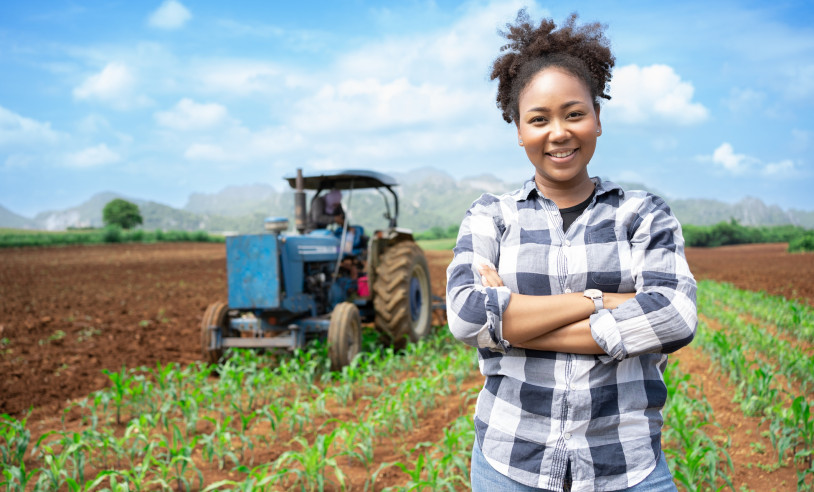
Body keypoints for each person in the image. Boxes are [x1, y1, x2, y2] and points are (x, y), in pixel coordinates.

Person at [445, 10, 697, 492]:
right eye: (538, 119)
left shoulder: (643, 214)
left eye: (574, 113)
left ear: (597, 119)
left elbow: (674, 316)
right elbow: (467, 316)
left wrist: (513, 326)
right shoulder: (490, 216)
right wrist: (601, 300)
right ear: (519, 131)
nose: (558, 132)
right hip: (510, 462)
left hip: (625, 465)